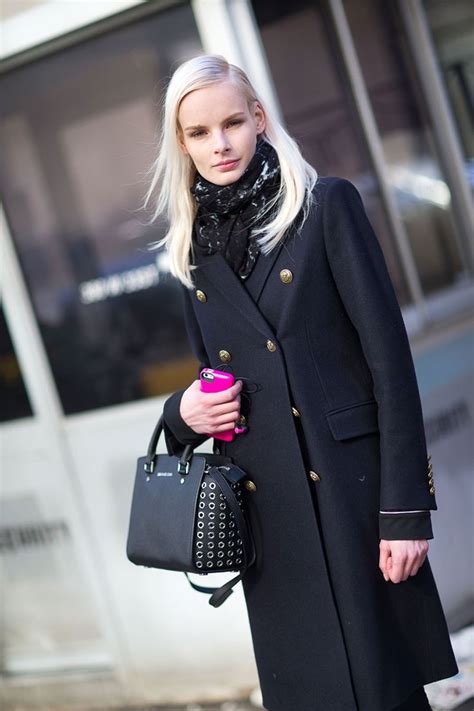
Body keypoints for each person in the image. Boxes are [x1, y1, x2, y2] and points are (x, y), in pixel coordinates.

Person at [142, 54, 458, 711]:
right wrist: (183, 411)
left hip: (354, 503)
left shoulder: (325, 207)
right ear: (182, 143)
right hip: (273, 523)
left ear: (259, 118)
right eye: (199, 132)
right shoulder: (192, 250)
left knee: (386, 693)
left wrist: (404, 511)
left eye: (232, 122)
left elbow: (390, 365)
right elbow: (215, 394)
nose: (219, 143)